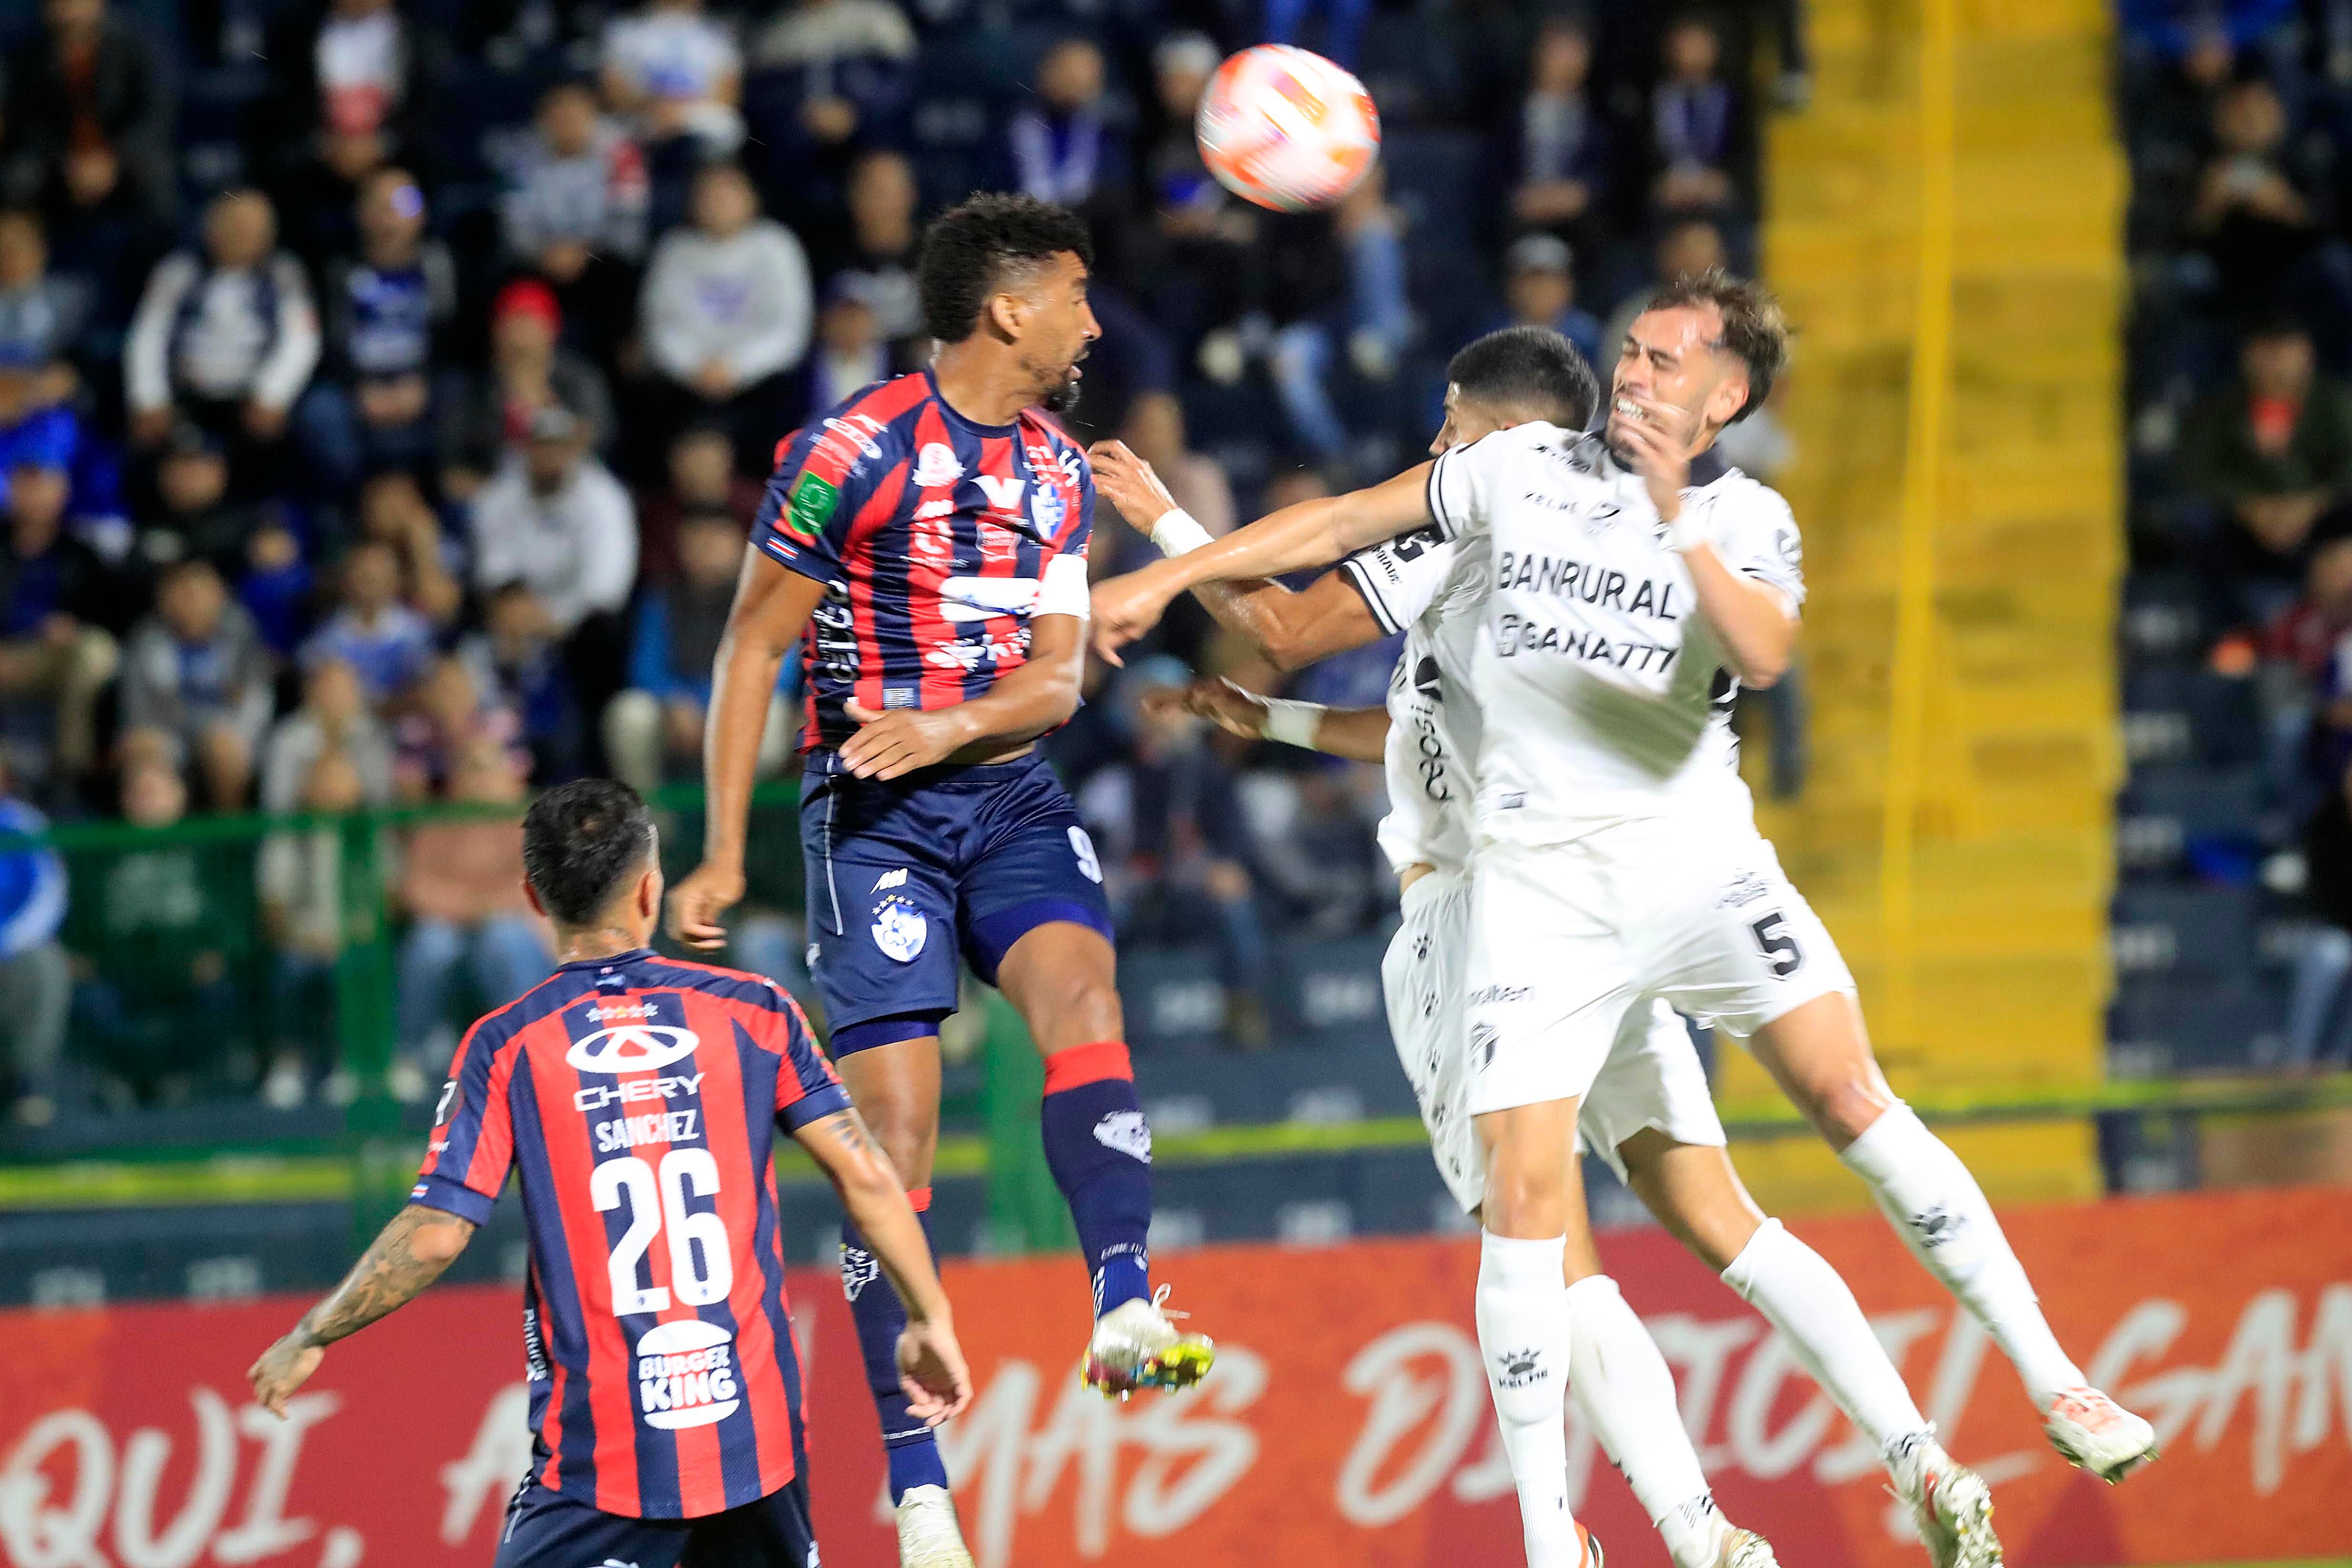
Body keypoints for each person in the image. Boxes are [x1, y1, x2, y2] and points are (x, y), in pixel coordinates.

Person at [1091, 275, 2164, 1530]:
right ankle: (1659, 1515)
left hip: (1657, 876)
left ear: (1727, 398)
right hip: (1542, 898)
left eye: (1666, 360)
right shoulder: (1513, 478)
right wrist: (1204, 625)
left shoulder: (1743, 519)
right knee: (1578, 1212)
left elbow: (1760, 651)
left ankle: (2024, 1389)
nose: (1637, 373)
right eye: (1633, 352)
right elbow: (1355, 585)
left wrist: (1171, 551)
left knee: (1823, 1106)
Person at [666, 193, 1212, 1568]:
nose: (1094, 324)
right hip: (873, 821)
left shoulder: (1059, 471)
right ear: (1008, 309)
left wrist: (952, 723)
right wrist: (724, 849)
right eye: (1076, 297)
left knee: (1085, 999)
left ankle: (1125, 1304)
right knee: (893, 1142)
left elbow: (1054, 681)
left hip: (1008, 793)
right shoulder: (846, 453)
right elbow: (750, 650)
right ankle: (918, 1491)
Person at [248, 778, 972, 1568]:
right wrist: (929, 1316)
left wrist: (314, 1331)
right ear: (651, 888)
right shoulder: (757, 1010)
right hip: (755, 1448)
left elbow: (434, 1235)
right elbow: (870, 1179)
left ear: (534, 898)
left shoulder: (508, 1045)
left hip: (605, 1464)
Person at [123, 190, 321, 487]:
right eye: (235, 226)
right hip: (187, 396)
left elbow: (302, 340)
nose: (243, 236)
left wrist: (273, 394)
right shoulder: (178, 271)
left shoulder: (283, 274)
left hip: (252, 398)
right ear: (211, 227)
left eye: (254, 229)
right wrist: (149, 398)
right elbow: (148, 335)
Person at [606, 506, 793, 797]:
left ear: (741, 545)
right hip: (677, 714)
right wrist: (675, 700)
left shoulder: (765, 600)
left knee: (774, 711)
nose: (706, 551)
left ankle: (740, 815)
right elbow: (644, 668)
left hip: (738, 704)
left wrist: (717, 705)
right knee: (629, 713)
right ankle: (651, 817)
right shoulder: (661, 599)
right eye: (696, 541)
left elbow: (780, 670)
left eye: (715, 540)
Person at [299, 166, 458, 499]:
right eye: (380, 206)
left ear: (421, 214)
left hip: (422, 383)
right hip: (359, 387)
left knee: (461, 395)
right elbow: (330, 344)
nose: (390, 217)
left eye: (403, 206)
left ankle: (445, 501)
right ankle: (355, 503)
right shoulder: (340, 270)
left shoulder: (438, 265)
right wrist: (360, 388)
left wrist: (421, 383)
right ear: (361, 214)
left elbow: (451, 337)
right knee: (319, 411)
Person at [639, 161, 814, 464]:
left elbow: (789, 329)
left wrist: (737, 368)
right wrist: (694, 367)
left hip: (760, 383)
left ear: (751, 198)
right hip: (690, 384)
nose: (717, 202)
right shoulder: (675, 250)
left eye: (728, 192)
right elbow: (660, 326)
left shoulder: (776, 246)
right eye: (707, 194)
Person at [500, 79, 650, 365]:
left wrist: (583, 252)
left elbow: (628, 223)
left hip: (599, 257)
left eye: (576, 115)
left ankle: (619, 365)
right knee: (504, 276)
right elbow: (514, 224)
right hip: (542, 258)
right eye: (559, 116)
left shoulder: (621, 153)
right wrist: (544, 253)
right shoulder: (523, 157)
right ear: (544, 120)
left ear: (593, 116)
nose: (568, 124)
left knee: (621, 276)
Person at [119, 556, 276, 810]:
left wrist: (233, 734)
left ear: (218, 596)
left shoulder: (239, 630)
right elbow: (137, 710)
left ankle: (228, 830)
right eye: (180, 593)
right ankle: (158, 835)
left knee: (223, 750)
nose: (189, 602)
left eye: (196, 593)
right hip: (167, 732)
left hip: (227, 729)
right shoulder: (147, 636)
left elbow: (256, 698)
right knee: (143, 754)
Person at [0, 0, 175, 227]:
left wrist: (112, 160)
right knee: (19, 178)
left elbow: (154, 112)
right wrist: (67, 162)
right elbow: (27, 121)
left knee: (157, 180)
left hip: (121, 154)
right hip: (57, 159)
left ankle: (161, 250)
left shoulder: (135, 44)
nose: (70, 11)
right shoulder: (30, 54)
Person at [437, 279, 617, 500]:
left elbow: (600, 437)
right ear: (497, 331)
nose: (521, 334)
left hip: (571, 493)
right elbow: (453, 468)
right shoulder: (474, 391)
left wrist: (544, 413)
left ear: (551, 329)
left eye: (530, 322)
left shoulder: (579, 380)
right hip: (497, 500)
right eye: (513, 322)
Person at [0, 761, 69, 1126]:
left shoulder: (20, 823)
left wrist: (6, 942)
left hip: (14, 948)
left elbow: (48, 896)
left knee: (45, 965)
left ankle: (29, 1085)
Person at [300, 536, 436, 709]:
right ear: (346, 582)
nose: (370, 586)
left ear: (395, 582)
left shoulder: (418, 632)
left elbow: (427, 686)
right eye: (363, 577)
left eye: (378, 577)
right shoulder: (325, 638)